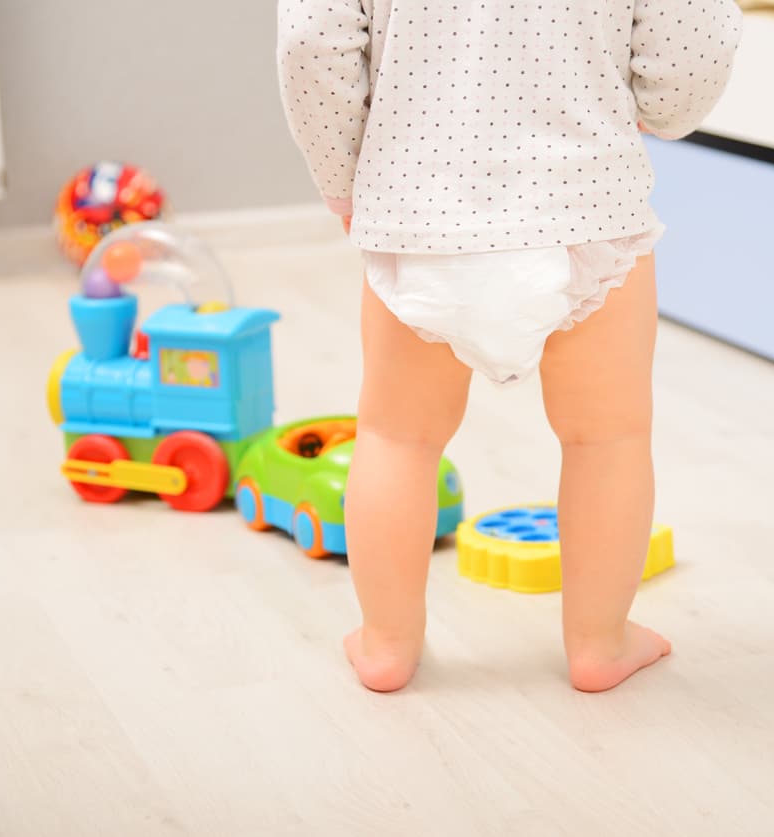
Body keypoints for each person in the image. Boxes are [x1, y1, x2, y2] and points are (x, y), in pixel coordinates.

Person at [277, 0, 741, 692]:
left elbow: (313, 44)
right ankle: (600, 643)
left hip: (420, 203)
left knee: (397, 438)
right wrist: (665, 109)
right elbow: (695, 32)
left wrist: (341, 179)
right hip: (587, 199)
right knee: (606, 439)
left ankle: (386, 643)